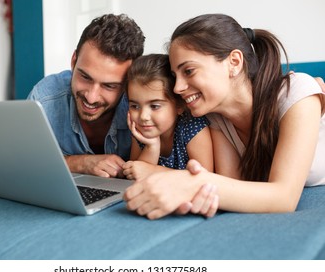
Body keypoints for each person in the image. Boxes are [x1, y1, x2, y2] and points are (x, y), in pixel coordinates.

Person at [124, 13, 325, 220]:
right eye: (175, 76)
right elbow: (232, 187)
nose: (178, 88)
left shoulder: (296, 94)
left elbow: (284, 198)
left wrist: (193, 182)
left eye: (189, 71)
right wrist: (205, 193)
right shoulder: (216, 118)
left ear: (234, 62)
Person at [28, 14, 145, 178]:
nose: (91, 97)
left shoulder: (144, 105)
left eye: (109, 86)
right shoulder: (44, 100)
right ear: (74, 61)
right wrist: (81, 163)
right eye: (85, 77)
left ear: (128, 82)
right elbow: (22, 160)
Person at [122, 54, 213, 181]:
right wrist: (151, 146)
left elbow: (205, 180)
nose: (143, 116)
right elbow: (135, 176)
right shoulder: (141, 130)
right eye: (134, 106)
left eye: (154, 106)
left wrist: (154, 171)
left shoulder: (192, 128)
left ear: (179, 106)